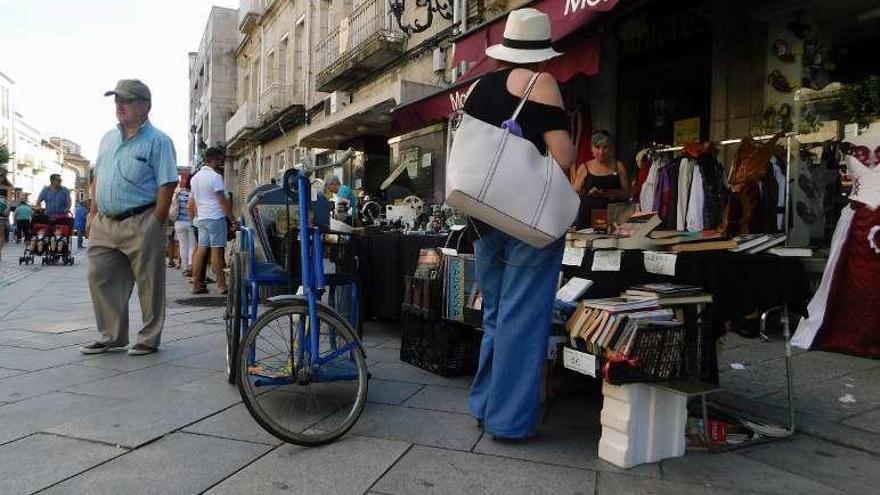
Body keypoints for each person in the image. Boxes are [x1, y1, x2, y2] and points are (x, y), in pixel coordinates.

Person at [461, 8, 576, 441]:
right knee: (523, 319)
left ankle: (485, 405)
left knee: (495, 315)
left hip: (483, 216)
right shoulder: (541, 83)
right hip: (526, 216)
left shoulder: (477, 87)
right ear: (542, 52)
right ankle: (508, 422)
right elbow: (562, 156)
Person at [80, 79, 178, 357]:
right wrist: (92, 214)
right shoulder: (107, 138)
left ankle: (148, 338)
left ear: (145, 106)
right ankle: (111, 335)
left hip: (141, 219)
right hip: (105, 223)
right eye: (116, 100)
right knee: (99, 276)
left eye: (127, 100)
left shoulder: (159, 141)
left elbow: (167, 183)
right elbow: (98, 177)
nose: (119, 105)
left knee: (149, 284)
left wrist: (155, 222)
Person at [190, 147, 237, 295]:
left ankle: (197, 284)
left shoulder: (195, 178)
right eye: (219, 159)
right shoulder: (215, 177)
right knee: (217, 252)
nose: (221, 162)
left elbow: (194, 201)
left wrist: (197, 217)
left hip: (202, 218)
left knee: (201, 250)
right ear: (212, 159)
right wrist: (233, 220)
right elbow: (222, 201)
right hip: (215, 218)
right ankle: (222, 285)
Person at [570, 130, 631, 228]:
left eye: (605, 147)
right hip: (588, 217)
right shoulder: (584, 168)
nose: (601, 152)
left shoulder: (619, 166)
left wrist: (615, 193)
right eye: (597, 147)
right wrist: (588, 193)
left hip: (614, 218)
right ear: (591, 148)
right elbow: (575, 192)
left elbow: (628, 193)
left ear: (610, 148)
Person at [171, 174, 196, 277]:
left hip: (179, 222)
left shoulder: (178, 193)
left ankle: (185, 267)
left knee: (183, 245)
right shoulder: (193, 193)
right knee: (192, 246)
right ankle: (190, 266)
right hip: (191, 222)